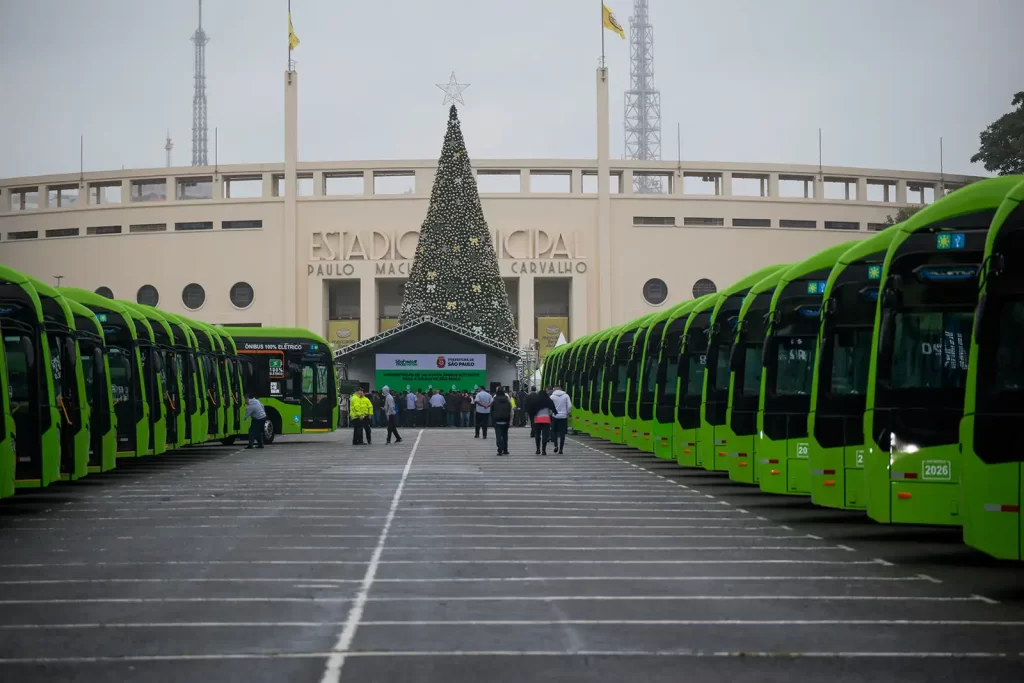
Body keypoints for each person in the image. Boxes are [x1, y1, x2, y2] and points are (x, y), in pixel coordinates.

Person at [528, 389, 557, 455]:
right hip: (546, 420)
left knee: (537, 434)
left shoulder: (536, 401)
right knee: (545, 435)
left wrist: (532, 417)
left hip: (537, 420)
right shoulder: (548, 401)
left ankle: (538, 449)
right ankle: (544, 450)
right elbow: (553, 408)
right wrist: (554, 413)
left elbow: (532, 410)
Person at [550, 385, 573, 455]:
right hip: (563, 417)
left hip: (555, 416)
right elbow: (569, 406)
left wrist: (552, 413)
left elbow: (550, 406)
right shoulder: (566, 396)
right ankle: (561, 449)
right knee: (562, 433)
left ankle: (556, 445)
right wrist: (567, 412)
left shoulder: (552, 397)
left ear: (554, 389)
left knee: (554, 432)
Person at [490, 387, 512, 456]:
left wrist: (493, 419)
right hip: (505, 420)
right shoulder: (507, 400)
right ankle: (505, 450)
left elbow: (492, 410)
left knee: (498, 436)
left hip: (497, 420)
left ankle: (499, 450)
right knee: (505, 435)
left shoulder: (494, 400)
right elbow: (509, 409)